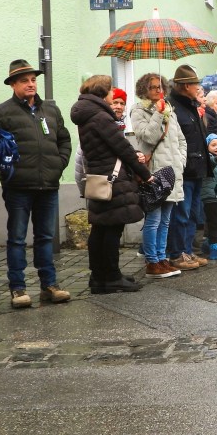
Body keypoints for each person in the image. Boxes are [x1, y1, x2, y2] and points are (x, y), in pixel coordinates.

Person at [0, 59, 73, 309]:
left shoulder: (51, 111)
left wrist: (59, 164)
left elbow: (64, 140)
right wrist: (9, 171)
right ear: (13, 84)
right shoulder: (1, 112)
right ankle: (18, 288)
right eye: (24, 80)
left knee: (45, 237)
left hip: (48, 185)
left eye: (33, 79)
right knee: (17, 238)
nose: (31, 84)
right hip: (18, 188)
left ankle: (49, 285)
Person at [70, 75, 152, 293]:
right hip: (112, 179)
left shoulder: (87, 114)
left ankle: (100, 277)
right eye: (110, 92)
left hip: (100, 177)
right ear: (102, 92)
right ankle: (111, 277)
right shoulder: (100, 117)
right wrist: (145, 173)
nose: (112, 96)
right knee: (112, 230)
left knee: (101, 228)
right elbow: (122, 148)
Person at [130, 73, 186, 278]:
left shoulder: (170, 110)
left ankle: (162, 258)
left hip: (173, 172)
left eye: (160, 87)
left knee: (166, 221)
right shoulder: (138, 110)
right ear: (143, 89)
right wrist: (157, 114)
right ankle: (152, 261)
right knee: (153, 219)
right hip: (154, 172)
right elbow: (148, 136)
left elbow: (181, 140)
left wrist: (181, 161)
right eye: (153, 87)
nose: (157, 90)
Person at [166, 65, 209, 270]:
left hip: (197, 167)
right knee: (181, 214)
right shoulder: (172, 107)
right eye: (196, 84)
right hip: (185, 169)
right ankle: (177, 253)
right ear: (186, 86)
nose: (198, 87)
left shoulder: (190, 106)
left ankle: (188, 251)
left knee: (193, 214)